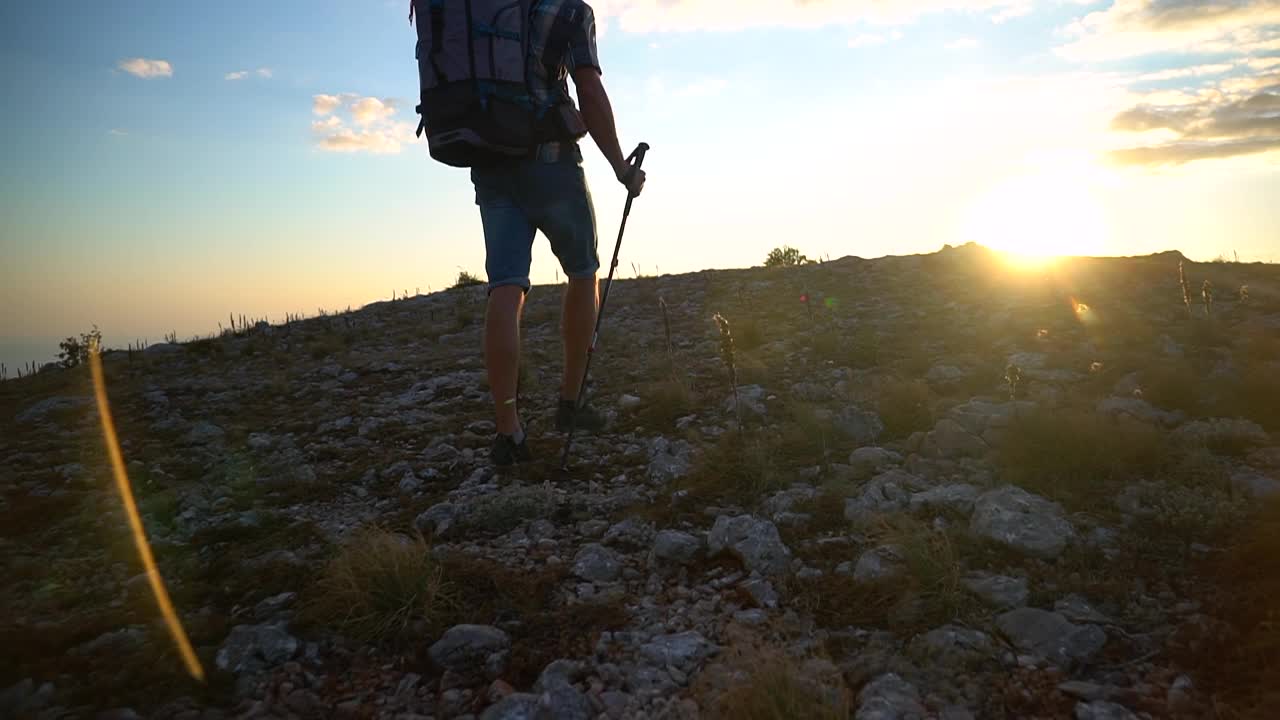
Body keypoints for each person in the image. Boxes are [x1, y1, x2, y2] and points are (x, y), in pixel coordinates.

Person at [473, 0, 646, 466]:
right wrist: (619, 165)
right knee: (583, 272)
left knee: (505, 286)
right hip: (551, 161)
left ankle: (508, 431)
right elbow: (588, 89)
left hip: (489, 164)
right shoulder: (569, 9)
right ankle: (570, 403)